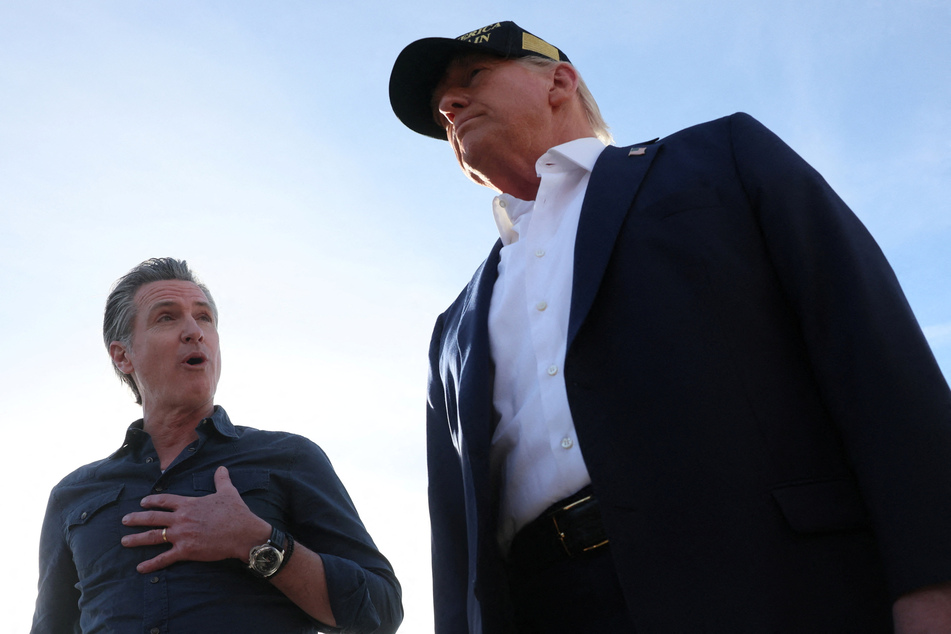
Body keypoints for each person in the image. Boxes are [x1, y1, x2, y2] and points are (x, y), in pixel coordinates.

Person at [388, 20, 951, 633]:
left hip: (773, 584)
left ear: (559, 80)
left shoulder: (721, 158)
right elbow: (457, 533)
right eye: (443, 112)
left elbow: (870, 350)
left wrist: (933, 578)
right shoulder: (454, 326)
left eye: (472, 78)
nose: (451, 106)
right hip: (549, 607)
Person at [31, 257, 403, 633]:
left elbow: (382, 610)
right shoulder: (72, 495)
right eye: (167, 317)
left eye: (205, 318)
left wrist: (256, 542)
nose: (194, 331)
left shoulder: (290, 458)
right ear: (122, 355)